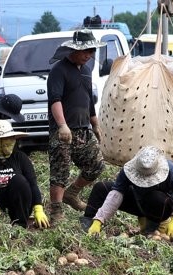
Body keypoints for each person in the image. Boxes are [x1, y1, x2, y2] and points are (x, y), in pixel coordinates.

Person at [47, 30, 105, 222]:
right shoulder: (59, 70)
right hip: (63, 131)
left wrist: (95, 125)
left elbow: (89, 100)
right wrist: (62, 126)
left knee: (96, 165)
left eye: (92, 51)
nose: (89, 55)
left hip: (83, 129)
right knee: (60, 170)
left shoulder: (87, 71)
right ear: (75, 50)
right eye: (86, 51)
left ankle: (72, 194)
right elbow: (55, 100)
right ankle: (55, 211)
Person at [83, 146, 173, 238]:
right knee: (101, 188)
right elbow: (115, 195)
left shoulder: (170, 170)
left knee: (157, 198)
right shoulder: (128, 169)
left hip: (161, 205)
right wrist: (99, 219)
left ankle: (153, 228)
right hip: (138, 199)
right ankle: (89, 225)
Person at [0, 120, 48, 228]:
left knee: (18, 180)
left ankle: (19, 224)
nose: (8, 143)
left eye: (10, 139)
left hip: (17, 200)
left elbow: (32, 184)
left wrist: (38, 208)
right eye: (3, 141)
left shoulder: (20, 157)